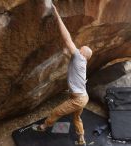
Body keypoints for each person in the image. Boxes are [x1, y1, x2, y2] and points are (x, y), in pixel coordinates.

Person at [32, 4, 92, 146]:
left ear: (82, 54)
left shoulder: (79, 57)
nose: (78, 48)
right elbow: (69, 55)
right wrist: (66, 53)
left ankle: (43, 127)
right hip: (82, 97)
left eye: (80, 48)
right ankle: (81, 139)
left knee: (56, 112)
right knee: (77, 118)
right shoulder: (80, 61)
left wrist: (57, 15)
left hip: (78, 99)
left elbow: (67, 39)